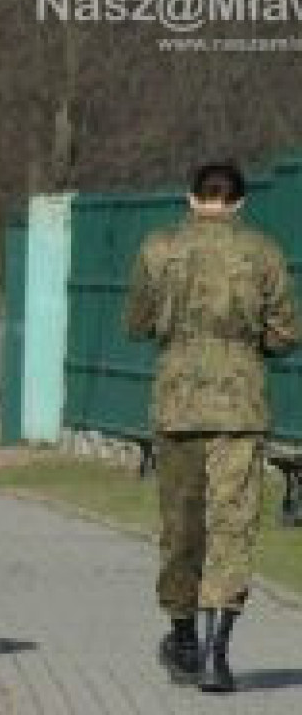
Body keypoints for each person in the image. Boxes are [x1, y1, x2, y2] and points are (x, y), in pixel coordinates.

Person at [125, 161, 300, 693]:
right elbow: (286, 333)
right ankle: (217, 654)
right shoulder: (264, 253)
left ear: (190, 197)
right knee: (232, 527)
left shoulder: (158, 249)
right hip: (240, 407)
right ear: (241, 203)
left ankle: (181, 638)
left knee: (180, 526)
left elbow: (137, 323)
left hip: (177, 404)